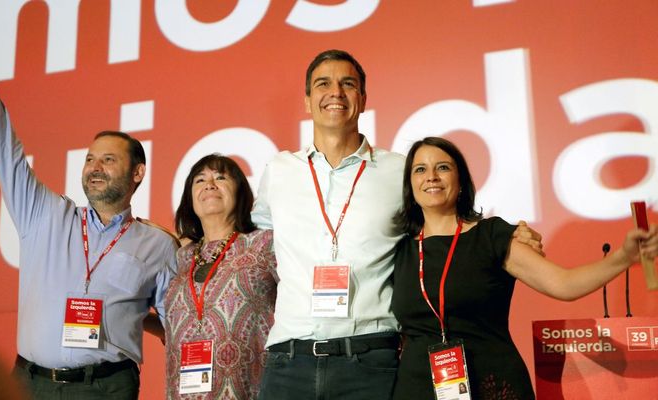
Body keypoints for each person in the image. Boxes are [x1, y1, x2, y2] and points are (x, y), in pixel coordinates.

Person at [252, 49, 544, 399]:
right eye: (323, 84)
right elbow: (251, 237)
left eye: (348, 84)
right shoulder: (279, 171)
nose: (336, 92)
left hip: (368, 361)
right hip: (288, 362)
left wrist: (508, 235)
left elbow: (444, 223)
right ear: (307, 101)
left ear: (363, 99)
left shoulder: (398, 171)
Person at [0, 4, 179, 399]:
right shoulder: (45, 215)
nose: (95, 167)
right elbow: (4, 148)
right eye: (90, 159)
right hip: (30, 383)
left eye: (109, 160)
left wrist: (132, 316)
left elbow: (180, 321)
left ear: (137, 172)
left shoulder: (158, 244)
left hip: (106, 387)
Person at [391, 137, 658, 399]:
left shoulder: (491, 236)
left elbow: (563, 284)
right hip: (416, 388)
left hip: (493, 384)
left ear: (460, 182)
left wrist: (623, 257)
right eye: (420, 169)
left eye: (443, 167)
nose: (432, 177)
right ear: (409, 186)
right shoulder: (398, 249)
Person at [164, 154, 277, 399]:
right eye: (200, 180)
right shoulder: (181, 257)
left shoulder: (264, 244)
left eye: (221, 177)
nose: (210, 185)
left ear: (240, 192)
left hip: (248, 391)